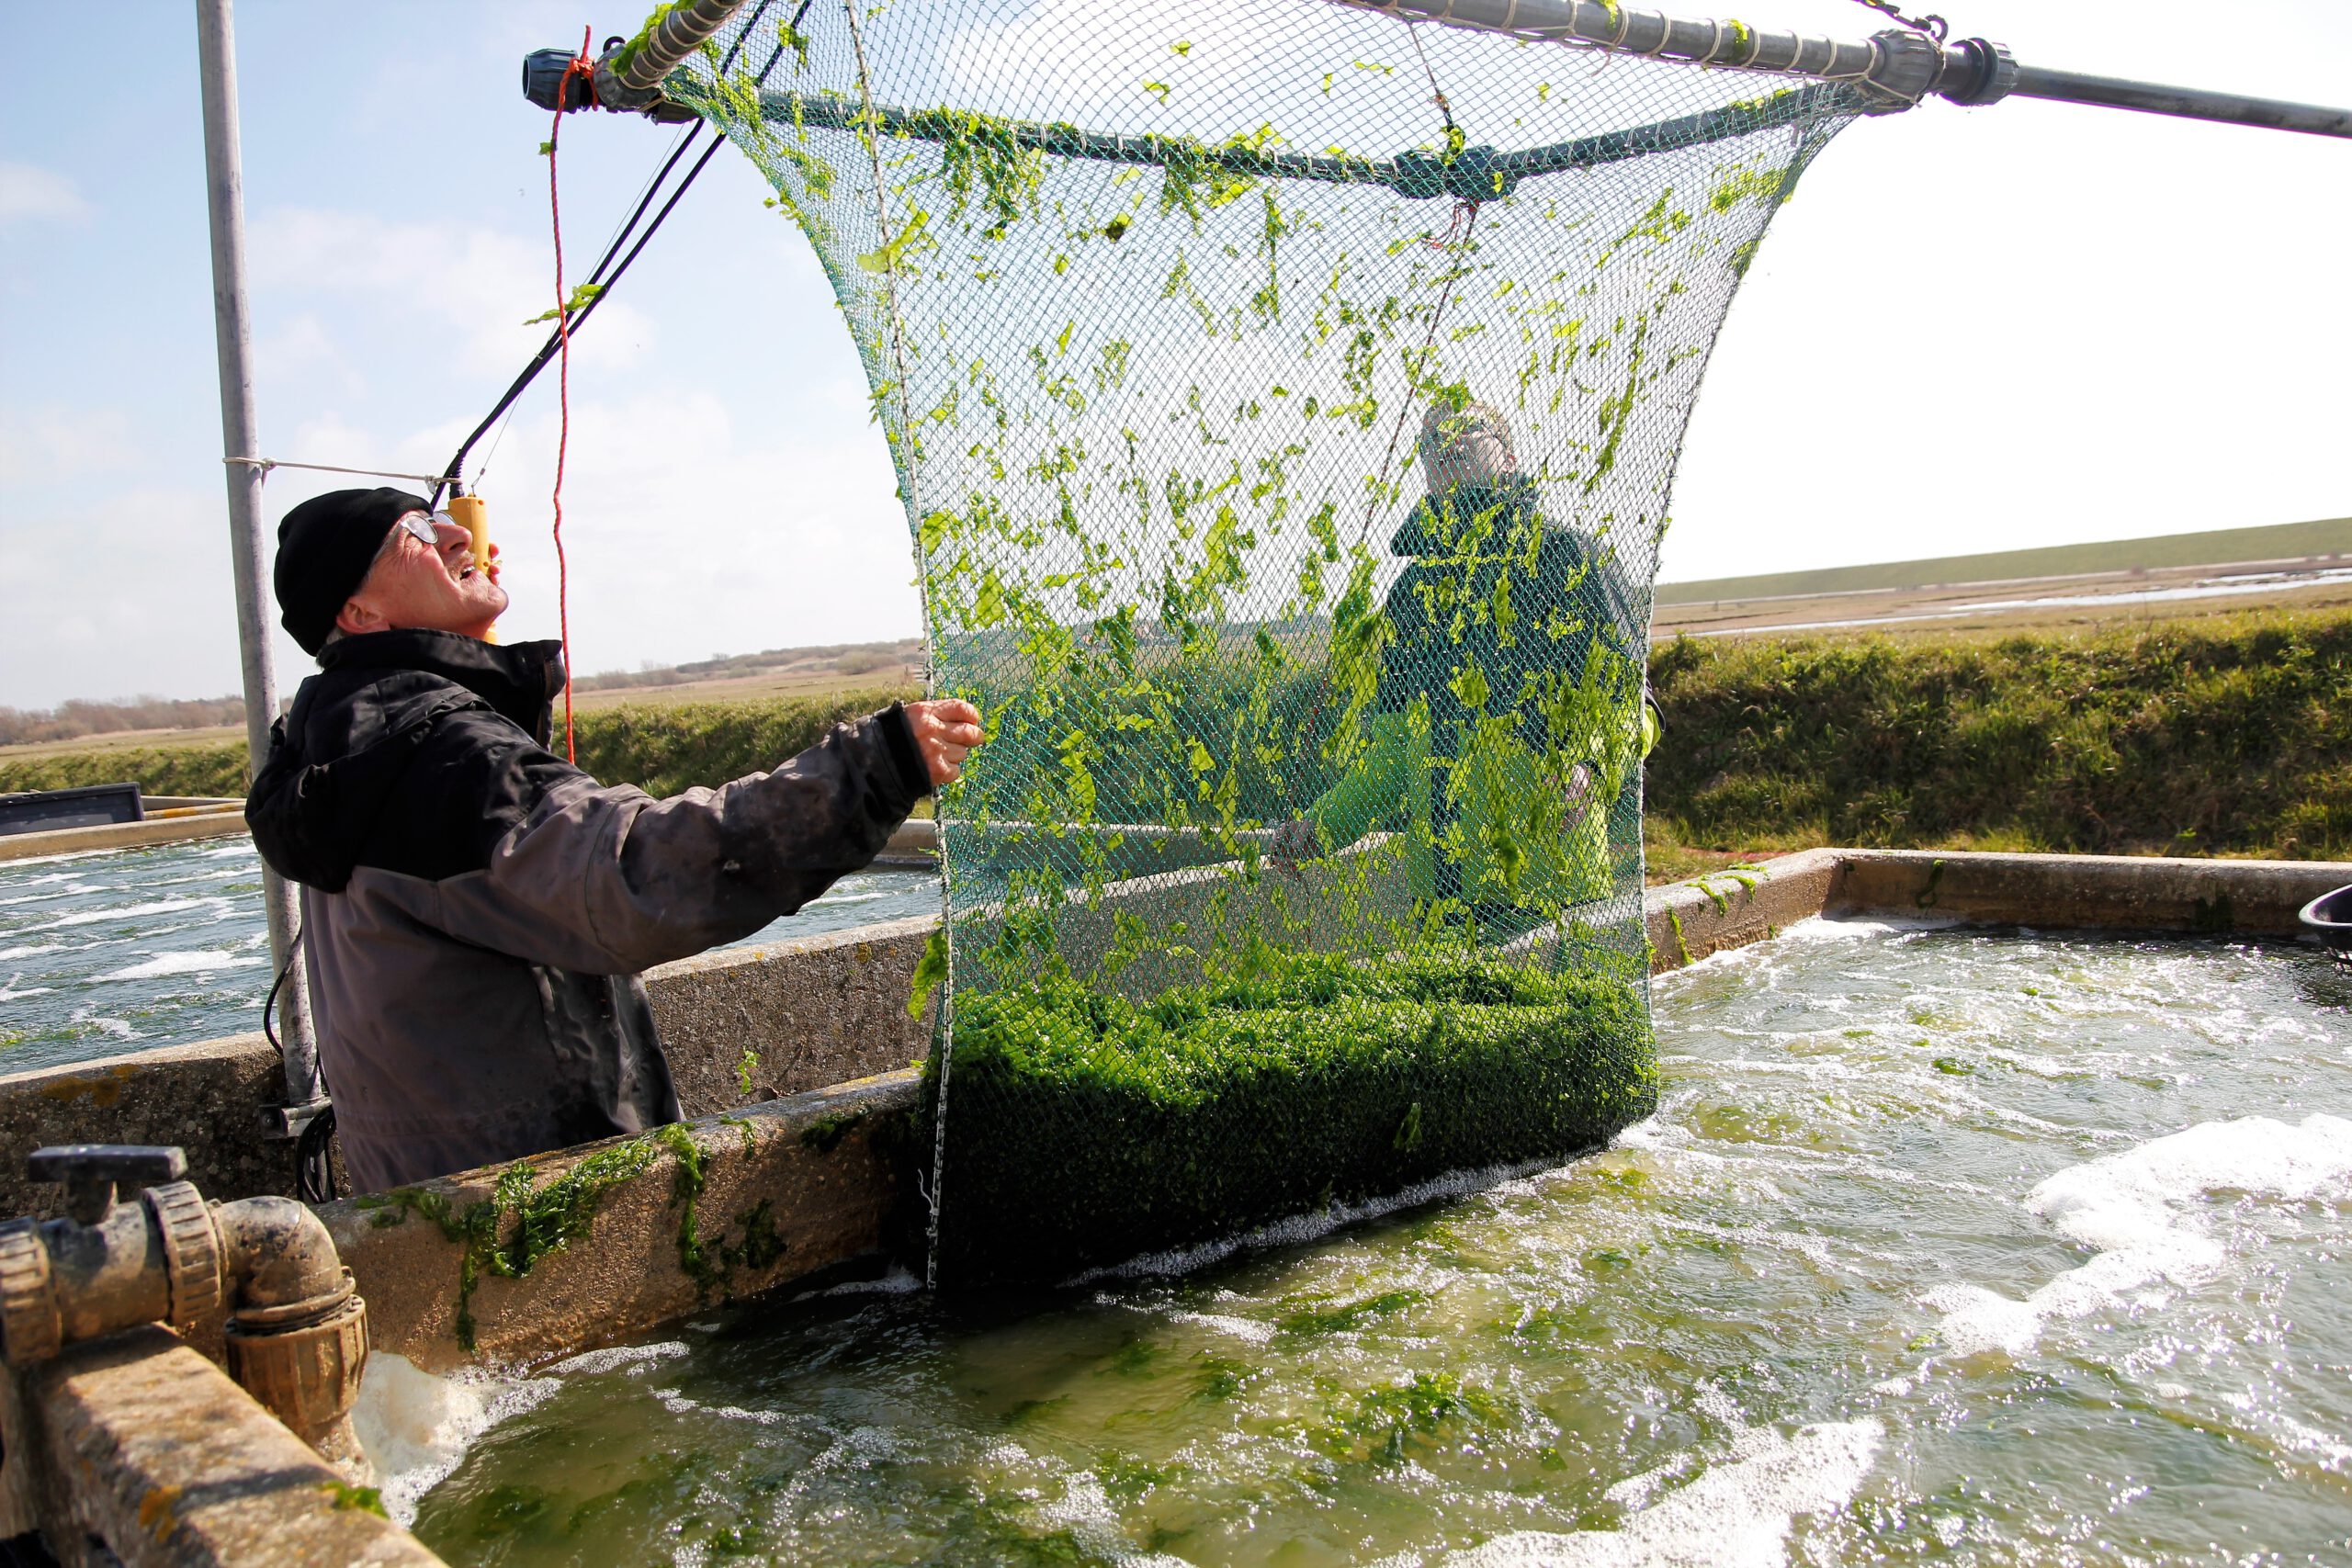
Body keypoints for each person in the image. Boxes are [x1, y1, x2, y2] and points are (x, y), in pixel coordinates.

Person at [247, 487, 981, 1192]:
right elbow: (635, 875)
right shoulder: (442, 757)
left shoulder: (332, 742)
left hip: (435, 1203)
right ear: (359, 610)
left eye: (444, 516)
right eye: (416, 533)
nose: (456, 533)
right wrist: (872, 769)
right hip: (535, 1214)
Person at [1273, 401, 1649, 924]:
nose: (1445, 441)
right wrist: (1320, 827)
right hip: (1442, 906)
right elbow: (1388, 761)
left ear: (1511, 458)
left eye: (1465, 428)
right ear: (1425, 474)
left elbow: (1635, 708)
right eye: (1429, 440)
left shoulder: (1572, 559)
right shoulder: (1411, 594)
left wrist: (1590, 763)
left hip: (1554, 895)